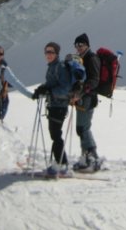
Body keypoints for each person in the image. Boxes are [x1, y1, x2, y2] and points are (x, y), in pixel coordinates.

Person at [32, 42, 80, 175]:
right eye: (47, 52)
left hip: (60, 105)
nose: (48, 54)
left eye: (51, 52)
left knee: (56, 135)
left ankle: (60, 163)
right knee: (55, 134)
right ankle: (61, 162)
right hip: (54, 105)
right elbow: (52, 83)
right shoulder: (52, 67)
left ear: (57, 53)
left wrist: (49, 91)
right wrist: (43, 88)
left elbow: (65, 89)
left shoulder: (60, 67)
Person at [70, 33, 102, 172]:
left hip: (87, 99)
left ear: (87, 45)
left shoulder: (91, 58)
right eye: (76, 45)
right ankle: (86, 158)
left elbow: (94, 80)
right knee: (81, 128)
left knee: (83, 128)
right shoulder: (81, 59)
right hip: (82, 99)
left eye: (81, 45)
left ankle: (92, 157)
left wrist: (80, 93)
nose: (78, 47)